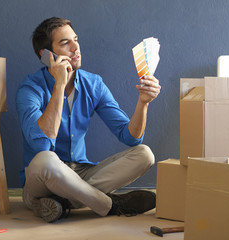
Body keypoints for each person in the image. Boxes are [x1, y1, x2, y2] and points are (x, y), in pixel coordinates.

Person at [16, 16, 161, 223]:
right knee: (46, 159)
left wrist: (143, 103)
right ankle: (109, 205)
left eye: (76, 39)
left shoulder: (93, 84)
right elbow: (41, 144)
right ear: (46, 55)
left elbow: (131, 138)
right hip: (42, 178)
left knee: (145, 154)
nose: (76, 48)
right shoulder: (30, 89)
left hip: (82, 172)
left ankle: (63, 203)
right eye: (65, 43)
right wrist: (58, 85)